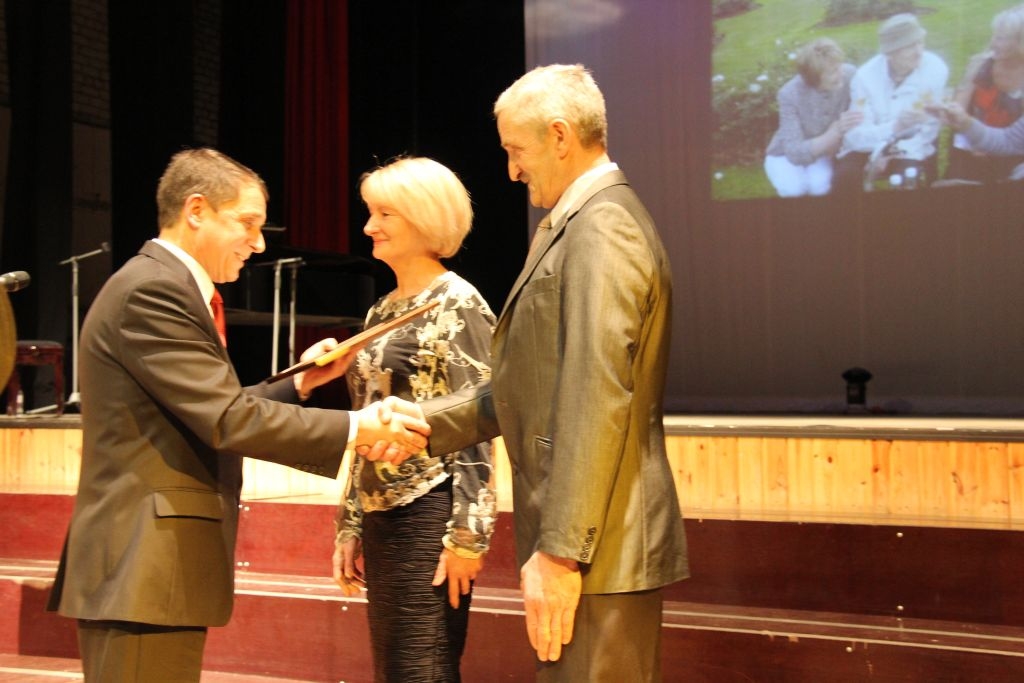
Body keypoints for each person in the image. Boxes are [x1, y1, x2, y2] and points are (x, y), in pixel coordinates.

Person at [46, 147, 432, 683]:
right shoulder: (153, 290)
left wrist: (300, 383)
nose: (259, 242)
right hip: (140, 567)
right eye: (248, 224)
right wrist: (357, 427)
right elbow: (225, 418)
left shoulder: (165, 284)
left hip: (151, 570)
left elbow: (204, 407)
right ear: (197, 210)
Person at [423, 64, 688, 681]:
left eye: (517, 150)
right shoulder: (580, 222)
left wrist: (562, 552)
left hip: (598, 548)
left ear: (560, 136)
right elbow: (531, 385)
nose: (512, 169)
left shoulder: (603, 227)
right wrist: (421, 421)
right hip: (594, 545)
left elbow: (596, 394)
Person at [332, 156, 498, 682]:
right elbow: (364, 423)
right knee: (395, 668)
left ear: (424, 218)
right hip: (382, 517)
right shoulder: (381, 310)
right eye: (370, 212)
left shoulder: (460, 302)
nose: (368, 227)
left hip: (431, 514)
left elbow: (479, 424)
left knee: (423, 667)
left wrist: (468, 536)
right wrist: (350, 522)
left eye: (384, 214)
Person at [834, 13, 949, 191]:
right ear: (890, 53)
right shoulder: (865, 78)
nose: (919, 52)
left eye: (920, 42)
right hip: (866, 147)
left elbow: (928, 129)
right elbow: (856, 136)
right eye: (910, 46)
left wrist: (893, 153)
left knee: (908, 180)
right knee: (845, 178)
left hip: (911, 147)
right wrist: (885, 143)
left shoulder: (935, 70)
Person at [764, 38, 863, 197]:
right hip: (784, 154)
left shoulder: (850, 74)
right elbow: (794, 152)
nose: (840, 74)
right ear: (813, 78)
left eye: (838, 67)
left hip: (822, 152)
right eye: (832, 72)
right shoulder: (789, 94)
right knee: (794, 189)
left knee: (820, 187)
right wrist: (834, 133)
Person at [944, 4, 1024, 182]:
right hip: (969, 142)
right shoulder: (980, 64)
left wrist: (987, 144)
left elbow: (1016, 140)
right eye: (994, 36)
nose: (993, 43)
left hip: (1010, 151)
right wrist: (972, 140)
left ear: (1020, 43)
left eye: (1001, 39)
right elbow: (958, 107)